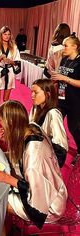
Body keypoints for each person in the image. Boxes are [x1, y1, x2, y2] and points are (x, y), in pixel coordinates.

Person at [0, 100, 67, 231]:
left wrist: (5, 178)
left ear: (11, 123)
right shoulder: (31, 127)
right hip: (53, 187)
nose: (1, 125)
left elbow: (36, 191)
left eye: (2, 122)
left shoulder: (34, 154)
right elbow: (21, 158)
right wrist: (6, 139)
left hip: (49, 204)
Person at [52, 34, 80, 165]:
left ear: (75, 46)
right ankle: (54, 150)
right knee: (55, 123)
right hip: (61, 99)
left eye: (65, 45)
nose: (63, 48)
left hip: (75, 101)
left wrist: (65, 79)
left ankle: (79, 152)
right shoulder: (64, 59)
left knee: (73, 128)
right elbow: (61, 75)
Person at [29, 78, 68, 167]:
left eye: (36, 92)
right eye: (32, 92)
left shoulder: (53, 114)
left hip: (44, 162)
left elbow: (61, 147)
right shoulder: (35, 108)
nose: (32, 95)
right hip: (33, 154)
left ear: (48, 94)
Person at [0, 26, 21, 106]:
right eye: (5, 34)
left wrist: (10, 61)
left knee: (6, 99)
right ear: (1, 35)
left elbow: (18, 62)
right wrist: (0, 59)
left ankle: (4, 116)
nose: (7, 36)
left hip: (9, 73)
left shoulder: (14, 47)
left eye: (8, 34)